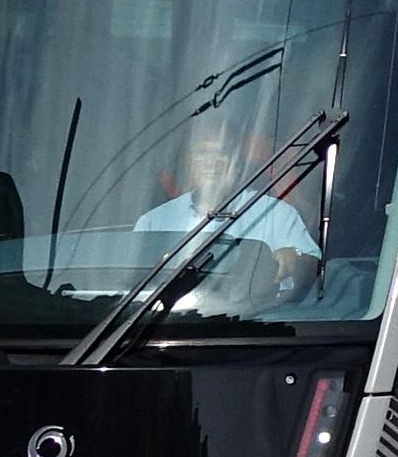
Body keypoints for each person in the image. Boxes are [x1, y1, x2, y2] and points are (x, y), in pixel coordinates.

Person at [131, 113, 323, 311]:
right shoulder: (153, 221)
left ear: (237, 161)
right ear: (187, 161)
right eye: (202, 153)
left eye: (222, 152)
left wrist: (295, 256)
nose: (211, 161)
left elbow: (313, 269)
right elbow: (132, 286)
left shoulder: (277, 214)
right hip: (165, 328)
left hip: (252, 326)